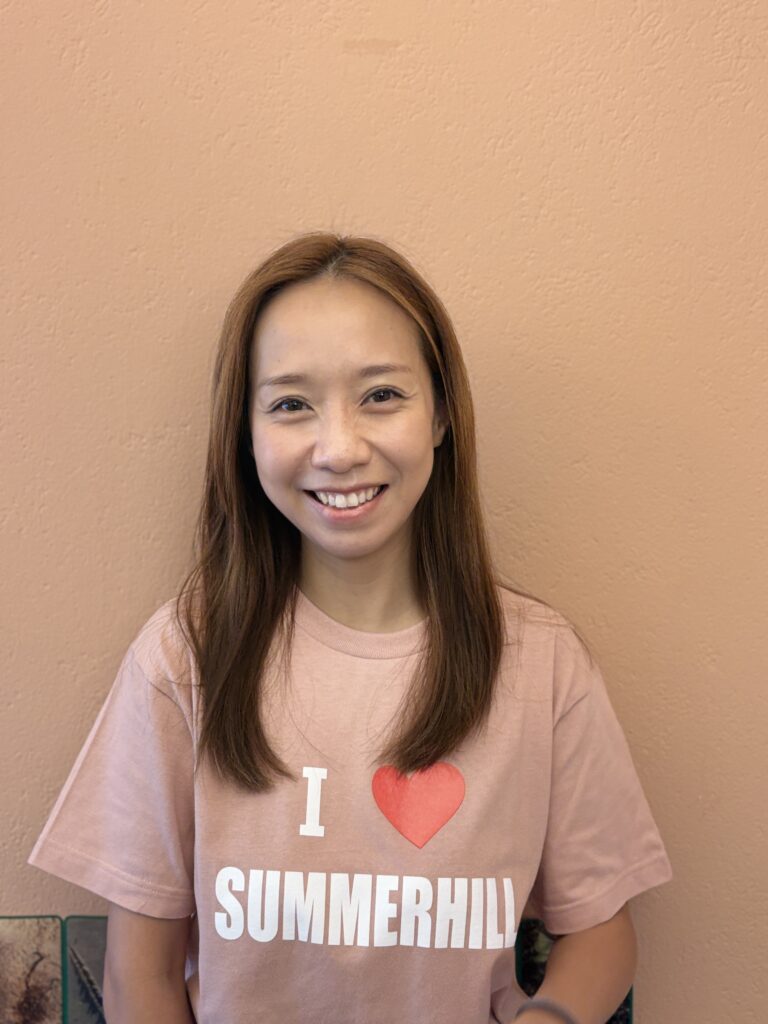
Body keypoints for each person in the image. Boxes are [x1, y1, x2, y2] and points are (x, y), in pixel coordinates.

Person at [28, 232, 672, 1024]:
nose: (339, 449)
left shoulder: (541, 664)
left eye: (382, 395)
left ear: (441, 414)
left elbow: (602, 932)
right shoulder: (182, 660)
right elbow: (140, 980)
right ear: (246, 433)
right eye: (291, 404)